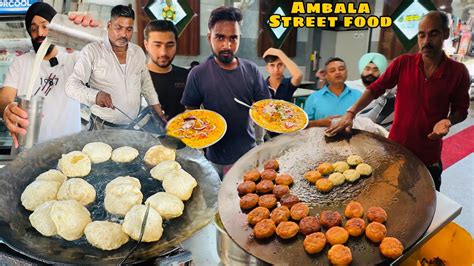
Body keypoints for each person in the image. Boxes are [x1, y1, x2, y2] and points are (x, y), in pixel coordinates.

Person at [327, 11, 471, 191]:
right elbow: (375, 89)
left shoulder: (458, 72)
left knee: (428, 208)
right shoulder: (403, 63)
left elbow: (462, 110)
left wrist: (448, 121)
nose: (426, 41)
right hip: (395, 150)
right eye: (421, 35)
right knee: (390, 199)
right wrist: (350, 113)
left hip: (428, 156)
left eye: (433, 34)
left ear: (446, 34)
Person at [181, 6, 270, 177]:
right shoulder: (197, 73)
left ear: (239, 39)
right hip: (214, 159)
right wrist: (198, 153)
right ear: (209, 38)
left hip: (248, 156)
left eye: (233, 38)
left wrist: (260, 143)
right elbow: (191, 115)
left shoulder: (252, 70)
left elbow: (261, 111)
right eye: (220, 37)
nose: (226, 45)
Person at [0, 2, 97, 148]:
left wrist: (95, 37)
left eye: (45, 26)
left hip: (69, 149)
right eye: (33, 29)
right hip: (29, 150)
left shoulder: (74, 58)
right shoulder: (20, 63)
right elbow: (4, 97)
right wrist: (7, 108)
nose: (40, 33)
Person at [66, 5, 166, 130]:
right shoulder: (92, 51)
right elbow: (71, 85)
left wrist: (159, 113)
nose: (124, 34)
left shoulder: (137, 52)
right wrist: (95, 96)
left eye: (129, 29)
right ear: (109, 25)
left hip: (133, 127)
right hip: (101, 126)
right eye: (118, 28)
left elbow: (146, 85)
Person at [144, 20, 188, 120]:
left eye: (169, 45)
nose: (163, 52)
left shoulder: (186, 76)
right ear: (146, 45)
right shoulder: (135, 78)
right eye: (157, 45)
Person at [304, 57, 362, 127]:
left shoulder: (358, 95)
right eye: (332, 70)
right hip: (320, 136)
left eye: (341, 69)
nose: (337, 72)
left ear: (346, 72)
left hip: (354, 136)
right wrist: (320, 123)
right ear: (326, 76)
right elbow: (304, 124)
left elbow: (365, 121)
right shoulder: (314, 97)